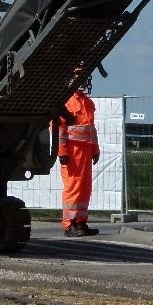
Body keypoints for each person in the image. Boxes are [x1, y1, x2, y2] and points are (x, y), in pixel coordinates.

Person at [56, 74, 100, 237]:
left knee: (85, 188)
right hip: (72, 153)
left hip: (86, 152)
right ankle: (69, 225)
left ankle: (80, 222)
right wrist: (62, 152)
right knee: (73, 188)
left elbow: (91, 129)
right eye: (79, 79)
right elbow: (58, 131)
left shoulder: (87, 103)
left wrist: (95, 149)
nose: (82, 83)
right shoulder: (66, 103)